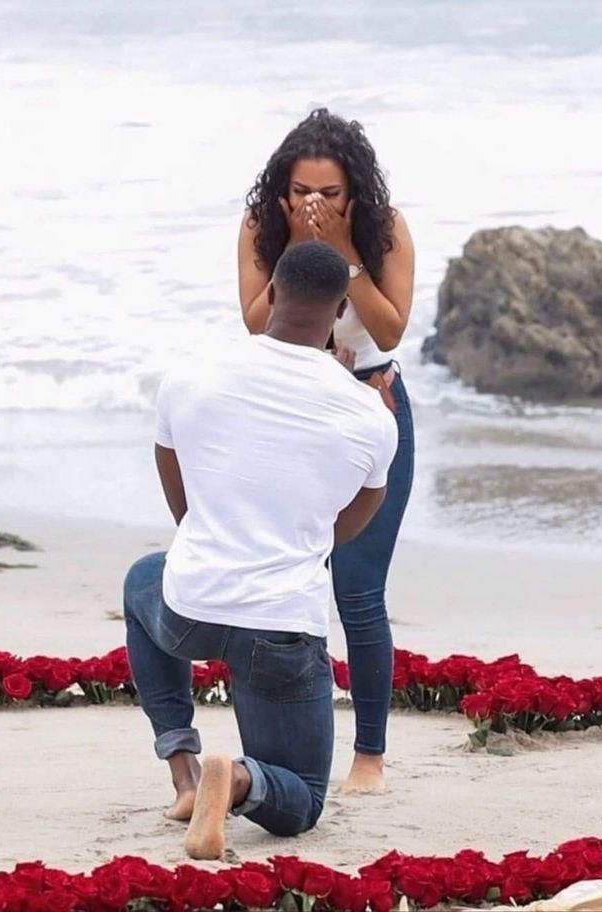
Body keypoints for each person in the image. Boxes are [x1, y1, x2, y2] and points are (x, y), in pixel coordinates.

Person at [124, 241, 398, 860]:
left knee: (143, 578)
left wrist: (215, 537)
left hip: (190, 607)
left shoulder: (189, 374)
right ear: (337, 315)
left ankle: (183, 764)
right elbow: (348, 526)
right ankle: (238, 779)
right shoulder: (369, 415)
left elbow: (179, 491)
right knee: (300, 798)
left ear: (270, 293)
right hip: (279, 627)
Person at [238, 108, 415, 793]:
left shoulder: (385, 230)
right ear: (282, 189)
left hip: (371, 408)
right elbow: (257, 325)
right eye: (301, 191)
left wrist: (343, 256)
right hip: (288, 416)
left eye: (329, 193)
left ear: (354, 193)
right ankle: (277, 751)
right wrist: (294, 250)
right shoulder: (261, 228)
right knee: (281, 578)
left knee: (358, 588)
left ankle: (369, 754)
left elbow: (390, 330)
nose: (314, 204)